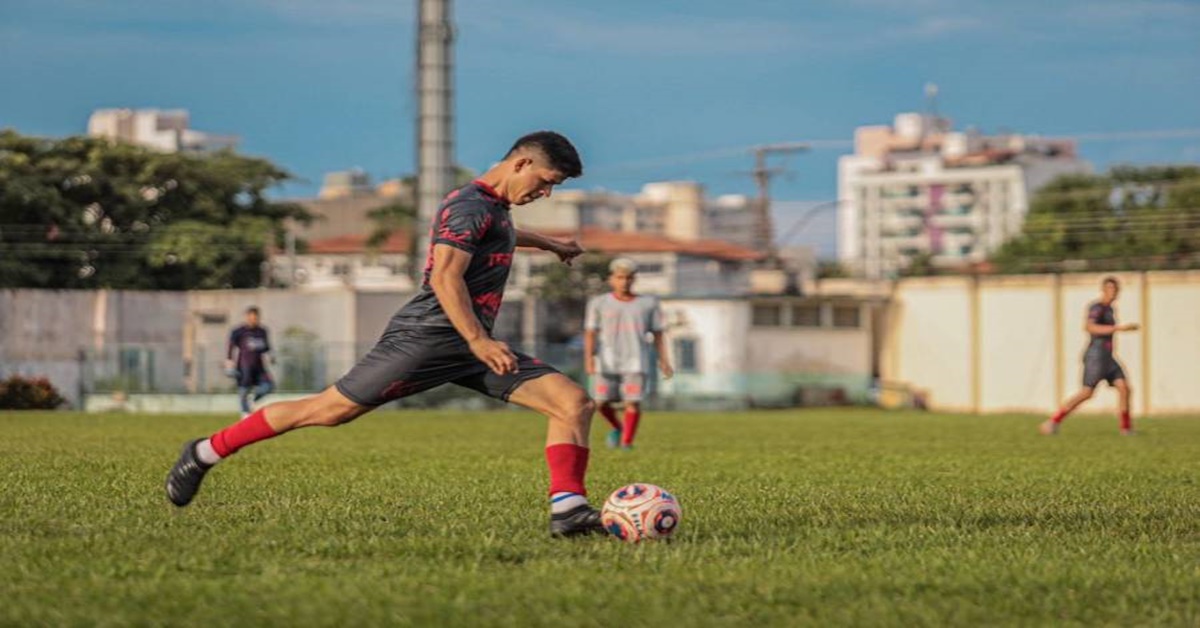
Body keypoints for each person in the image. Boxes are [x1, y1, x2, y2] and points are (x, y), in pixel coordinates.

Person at [166, 131, 605, 537]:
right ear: (522, 163)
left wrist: (551, 244)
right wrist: (478, 340)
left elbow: (501, 234)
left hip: (470, 343)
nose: (545, 193)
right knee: (329, 410)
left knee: (573, 403)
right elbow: (445, 277)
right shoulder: (470, 205)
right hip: (427, 338)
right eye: (546, 182)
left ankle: (568, 509)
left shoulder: (493, 209)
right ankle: (204, 451)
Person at [583, 258, 673, 450]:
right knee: (600, 403)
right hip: (606, 361)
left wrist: (663, 359)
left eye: (628, 278)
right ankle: (618, 428)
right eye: (620, 277)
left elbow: (658, 333)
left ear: (634, 279)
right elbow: (590, 332)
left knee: (632, 402)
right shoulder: (599, 303)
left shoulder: (648, 303)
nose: (624, 282)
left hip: (636, 361)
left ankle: (627, 443)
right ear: (611, 279)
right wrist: (589, 358)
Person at [1041, 276, 1140, 436]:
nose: (1114, 292)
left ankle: (1126, 428)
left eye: (1116, 289)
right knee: (1087, 393)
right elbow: (1090, 327)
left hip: (1108, 357)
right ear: (1103, 290)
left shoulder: (1110, 309)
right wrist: (1118, 328)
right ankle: (1053, 421)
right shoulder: (1097, 307)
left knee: (1124, 388)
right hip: (1096, 356)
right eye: (1110, 289)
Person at [226, 306, 274, 417]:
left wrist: (270, 356)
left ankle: (253, 399)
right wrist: (229, 361)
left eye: (255, 318)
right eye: (251, 317)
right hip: (244, 365)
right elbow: (231, 346)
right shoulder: (239, 331)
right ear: (247, 317)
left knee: (268, 386)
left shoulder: (262, 331)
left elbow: (266, 347)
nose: (253, 320)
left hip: (259, 367)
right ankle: (245, 413)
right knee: (244, 390)